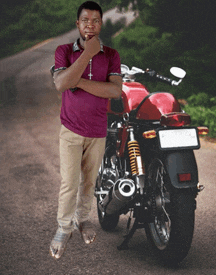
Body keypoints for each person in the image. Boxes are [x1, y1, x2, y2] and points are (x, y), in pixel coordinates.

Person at [49, 1, 122, 259]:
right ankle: (63, 227)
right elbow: (60, 86)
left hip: (97, 130)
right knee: (69, 183)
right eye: (85, 20)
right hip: (70, 129)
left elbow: (114, 90)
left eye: (95, 20)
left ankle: (82, 220)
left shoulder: (112, 55)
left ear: (101, 24)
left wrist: (75, 80)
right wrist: (87, 54)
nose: (90, 25)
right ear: (77, 23)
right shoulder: (64, 51)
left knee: (89, 182)